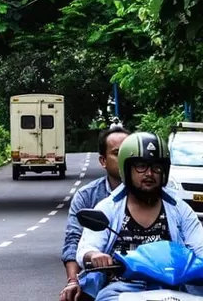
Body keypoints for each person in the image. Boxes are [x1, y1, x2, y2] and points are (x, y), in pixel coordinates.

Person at [76, 130, 203, 300]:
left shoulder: (179, 209)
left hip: (175, 288)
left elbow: (199, 246)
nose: (149, 174)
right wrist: (94, 255)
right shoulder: (108, 208)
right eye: (141, 166)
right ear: (127, 169)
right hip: (122, 289)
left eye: (156, 167)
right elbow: (87, 246)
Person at [60, 125, 130, 301]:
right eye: (117, 153)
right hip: (105, 277)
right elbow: (73, 240)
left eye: (129, 153)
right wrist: (72, 281)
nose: (124, 159)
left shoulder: (167, 198)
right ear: (103, 160)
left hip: (154, 275)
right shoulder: (88, 197)